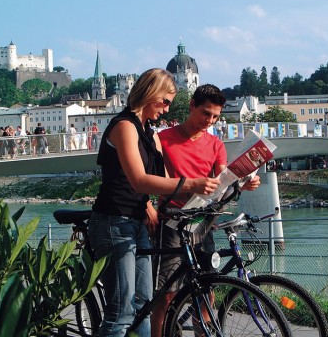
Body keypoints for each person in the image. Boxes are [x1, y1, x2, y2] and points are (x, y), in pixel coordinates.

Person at [88, 68, 220, 337]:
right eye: (166, 101)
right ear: (151, 94)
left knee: (142, 306)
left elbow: (163, 180)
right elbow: (139, 180)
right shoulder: (124, 126)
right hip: (114, 220)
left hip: (137, 220)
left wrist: (196, 199)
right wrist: (191, 182)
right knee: (120, 312)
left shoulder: (149, 133)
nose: (168, 109)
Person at [151, 84, 261, 337]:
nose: (209, 121)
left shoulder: (215, 144)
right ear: (192, 105)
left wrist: (244, 182)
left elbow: (223, 178)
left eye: (215, 117)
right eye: (205, 113)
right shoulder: (163, 139)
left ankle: (203, 333)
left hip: (202, 222)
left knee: (207, 287)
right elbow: (151, 179)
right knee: (166, 294)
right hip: (171, 222)